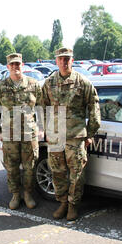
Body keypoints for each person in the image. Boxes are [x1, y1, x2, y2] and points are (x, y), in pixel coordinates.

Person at [42, 48, 101, 221]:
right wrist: (46, 130)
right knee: (57, 172)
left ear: (72, 60)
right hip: (55, 137)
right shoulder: (49, 82)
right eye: (61, 59)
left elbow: (94, 109)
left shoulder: (82, 82)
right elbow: (42, 107)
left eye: (67, 59)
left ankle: (73, 206)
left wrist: (90, 134)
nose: (64, 62)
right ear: (56, 61)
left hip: (75, 137)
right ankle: (62, 203)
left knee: (77, 174)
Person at [0, 53, 43, 210]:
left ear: (23, 65)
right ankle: (15, 195)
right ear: (8, 67)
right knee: (12, 167)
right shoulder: (1, 88)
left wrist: (41, 128)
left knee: (30, 167)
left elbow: (42, 108)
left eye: (17, 64)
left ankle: (27, 194)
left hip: (29, 135)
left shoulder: (34, 85)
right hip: (9, 135)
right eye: (12, 64)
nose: (15, 67)